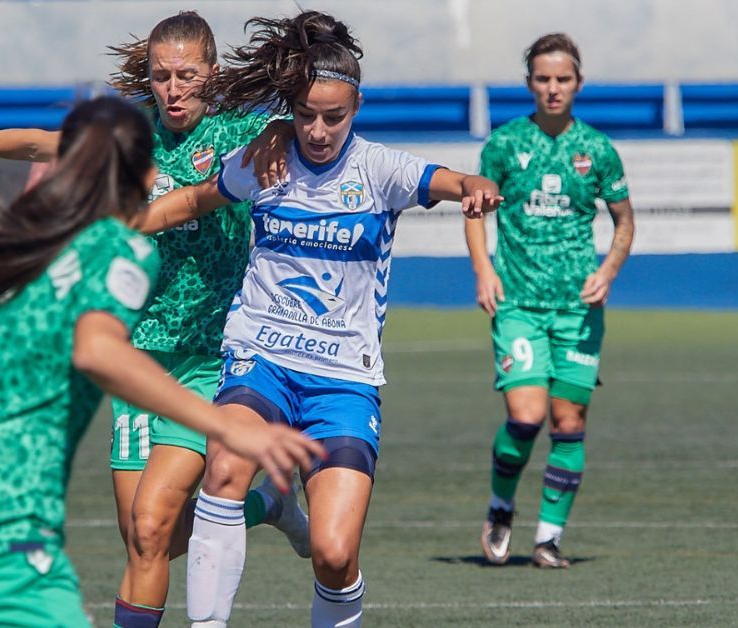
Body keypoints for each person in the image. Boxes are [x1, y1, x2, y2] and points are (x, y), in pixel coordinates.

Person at [0, 95, 324, 628]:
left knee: (148, 530)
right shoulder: (114, 247)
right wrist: (226, 427)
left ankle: (264, 508)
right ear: (141, 174)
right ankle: (266, 507)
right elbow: (98, 351)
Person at [133, 11, 502, 626]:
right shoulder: (266, 159)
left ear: (356, 107)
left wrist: (474, 185)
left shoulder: (379, 170)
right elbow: (195, 199)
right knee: (224, 470)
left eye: (334, 116)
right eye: (305, 115)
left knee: (333, 553)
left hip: (343, 382)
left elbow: (451, 179)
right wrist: (118, 226)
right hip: (262, 361)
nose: (319, 130)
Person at [470, 33, 634, 569]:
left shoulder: (598, 149)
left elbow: (624, 222)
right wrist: (484, 270)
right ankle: (501, 506)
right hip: (518, 303)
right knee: (526, 416)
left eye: (563, 79)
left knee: (568, 422)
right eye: (543, 79)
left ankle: (548, 539)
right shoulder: (504, 144)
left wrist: (608, 272)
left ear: (578, 83)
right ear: (529, 84)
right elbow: (476, 210)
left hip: (579, 311)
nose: (553, 88)